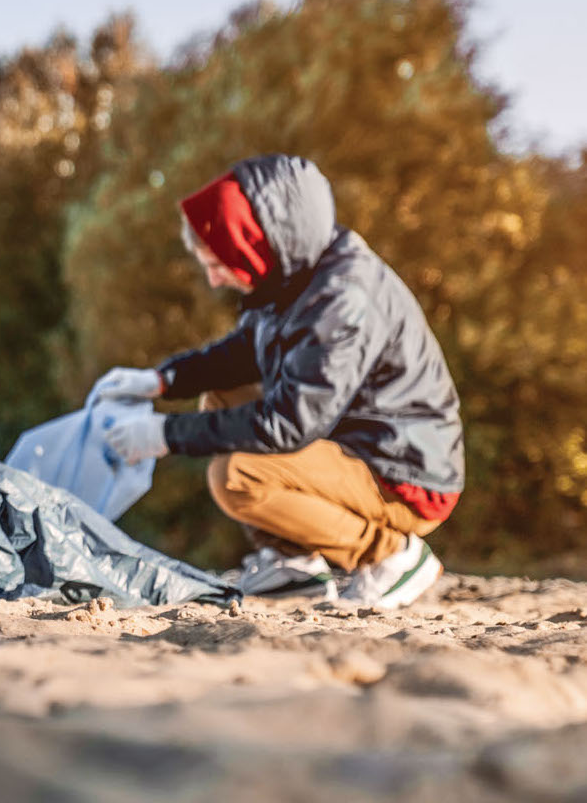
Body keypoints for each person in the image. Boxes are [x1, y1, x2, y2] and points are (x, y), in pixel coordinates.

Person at [94, 154, 464, 610]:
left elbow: (287, 423)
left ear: (255, 242)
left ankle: (390, 556)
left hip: (404, 472)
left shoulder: (342, 296)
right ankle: (295, 564)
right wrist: (161, 380)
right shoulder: (292, 274)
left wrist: (164, 435)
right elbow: (244, 353)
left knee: (236, 477)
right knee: (218, 396)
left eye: (218, 262)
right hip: (354, 446)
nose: (214, 279)